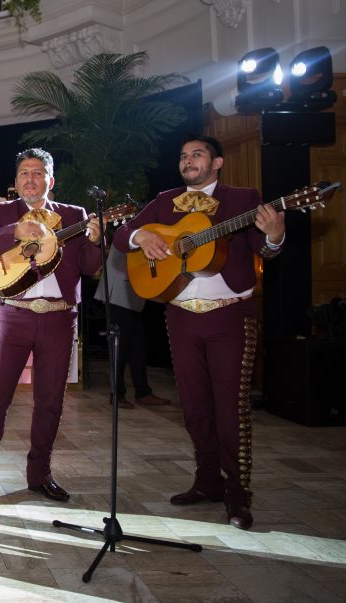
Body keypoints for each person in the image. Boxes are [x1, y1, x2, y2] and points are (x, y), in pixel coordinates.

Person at [112, 134, 285, 531]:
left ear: (217, 162)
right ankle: (207, 482)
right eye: (184, 156)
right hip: (181, 316)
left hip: (229, 317)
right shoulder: (164, 200)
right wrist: (143, 236)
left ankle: (238, 494)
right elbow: (123, 236)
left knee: (231, 409)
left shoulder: (243, 199)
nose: (188, 161)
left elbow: (267, 249)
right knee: (193, 406)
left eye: (198, 154)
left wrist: (275, 233)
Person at [0, 148, 101, 507]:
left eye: (37, 173)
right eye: (24, 173)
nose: (30, 180)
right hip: (15, 314)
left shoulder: (74, 215)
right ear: (16, 180)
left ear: (51, 181)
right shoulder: (2, 212)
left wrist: (96, 240)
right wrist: (14, 231)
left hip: (59, 316)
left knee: (49, 401)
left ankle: (40, 474)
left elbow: (89, 266)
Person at [93, 249, 171, 409]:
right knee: (120, 347)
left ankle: (143, 392)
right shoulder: (129, 229)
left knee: (138, 346)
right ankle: (117, 393)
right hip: (120, 292)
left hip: (132, 292)